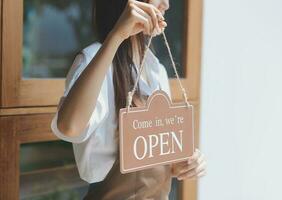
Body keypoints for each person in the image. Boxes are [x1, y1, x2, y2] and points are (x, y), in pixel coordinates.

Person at [50, 0, 207, 199]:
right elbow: (69, 126)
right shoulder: (94, 60)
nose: (166, 4)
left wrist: (179, 162)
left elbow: (152, 155)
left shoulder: (156, 69)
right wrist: (117, 35)